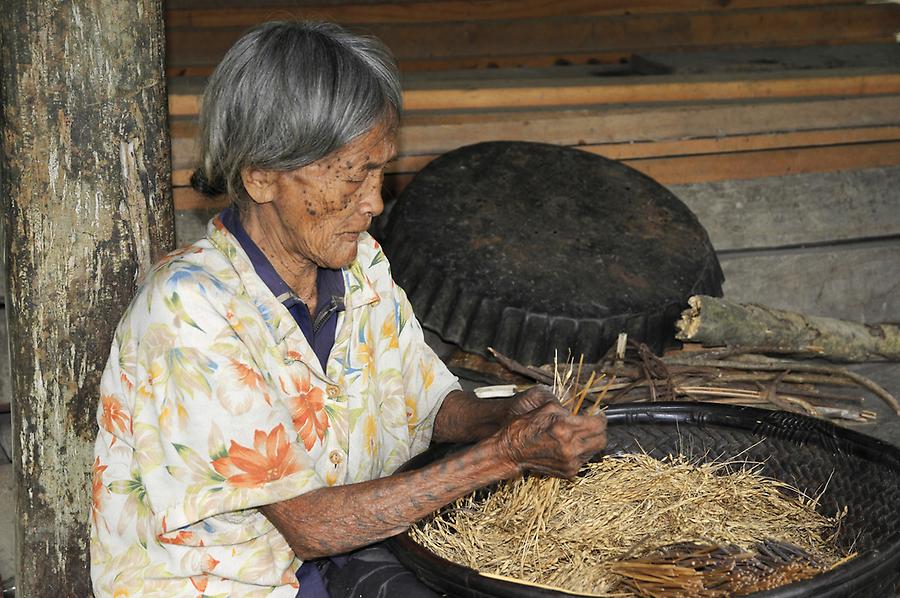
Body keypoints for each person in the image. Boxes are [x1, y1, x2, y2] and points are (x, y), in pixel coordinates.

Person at [90, 21, 607, 598]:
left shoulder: (360, 265)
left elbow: (427, 404)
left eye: (381, 167)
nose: (375, 201)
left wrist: (510, 415)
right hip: (237, 583)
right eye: (355, 173)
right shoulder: (190, 308)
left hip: (341, 559)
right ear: (262, 175)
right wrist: (506, 455)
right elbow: (309, 526)